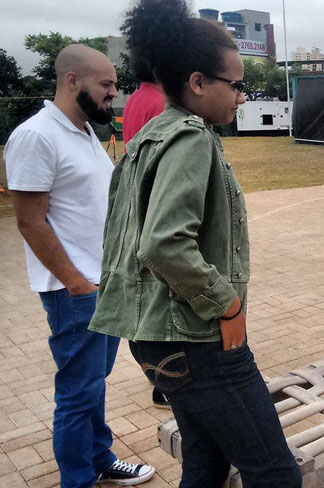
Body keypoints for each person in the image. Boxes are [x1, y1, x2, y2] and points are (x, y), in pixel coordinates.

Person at [88, 0, 301, 486]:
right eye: (238, 84)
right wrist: (226, 304)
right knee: (275, 473)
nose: (243, 97)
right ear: (199, 82)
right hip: (198, 338)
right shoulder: (190, 137)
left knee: (205, 464)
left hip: (156, 336)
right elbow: (163, 243)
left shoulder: (148, 137)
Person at [4, 44, 155, 487]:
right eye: (106, 84)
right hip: (77, 291)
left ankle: (99, 458)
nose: (113, 93)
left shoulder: (84, 130)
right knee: (76, 394)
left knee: (92, 384)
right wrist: (75, 283)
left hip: (103, 283)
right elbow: (30, 222)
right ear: (73, 80)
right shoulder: (36, 136)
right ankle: (78, 479)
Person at [120, 39, 168, 409]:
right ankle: (165, 382)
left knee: (152, 296)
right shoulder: (161, 103)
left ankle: (160, 378)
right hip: (158, 206)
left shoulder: (136, 98)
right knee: (166, 299)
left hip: (139, 203)